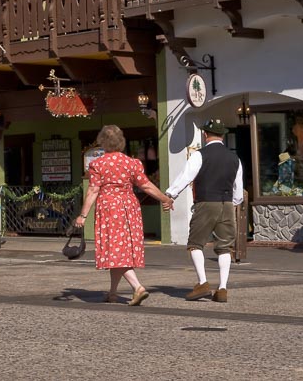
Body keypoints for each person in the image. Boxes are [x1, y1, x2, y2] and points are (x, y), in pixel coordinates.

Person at [75, 125, 171, 305]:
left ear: (103, 142)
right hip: (130, 207)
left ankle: (138, 287)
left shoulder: (98, 164)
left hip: (109, 208)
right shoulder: (132, 163)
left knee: (115, 251)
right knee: (120, 250)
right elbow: (146, 185)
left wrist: (83, 215)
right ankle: (112, 293)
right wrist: (164, 198)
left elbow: (93, 190)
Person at [164, 119, 243, 302]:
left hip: (206, 202)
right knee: (225, 247)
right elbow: (238, 188)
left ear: (205, 134)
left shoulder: (200, 155)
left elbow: (186, 176)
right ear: (222, 135)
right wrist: (234, 201)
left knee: (195, 243)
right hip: (228, 204)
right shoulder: (234, 158)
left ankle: (203, 283)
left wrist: (170, 194)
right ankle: (222, 288)